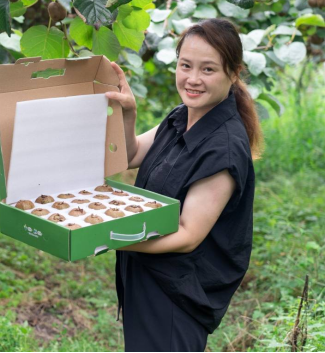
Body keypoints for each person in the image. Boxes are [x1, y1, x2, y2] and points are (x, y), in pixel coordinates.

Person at [104, 18, 263, 352]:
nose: (192, 79)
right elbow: (130, 155)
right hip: (147, 276)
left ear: (233, 74)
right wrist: (128, 112)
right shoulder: (181, 117)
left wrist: (109, 238)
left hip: (175, 294)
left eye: (208, 70)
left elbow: (188, 235)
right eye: (185, 65)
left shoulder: (225, 148)